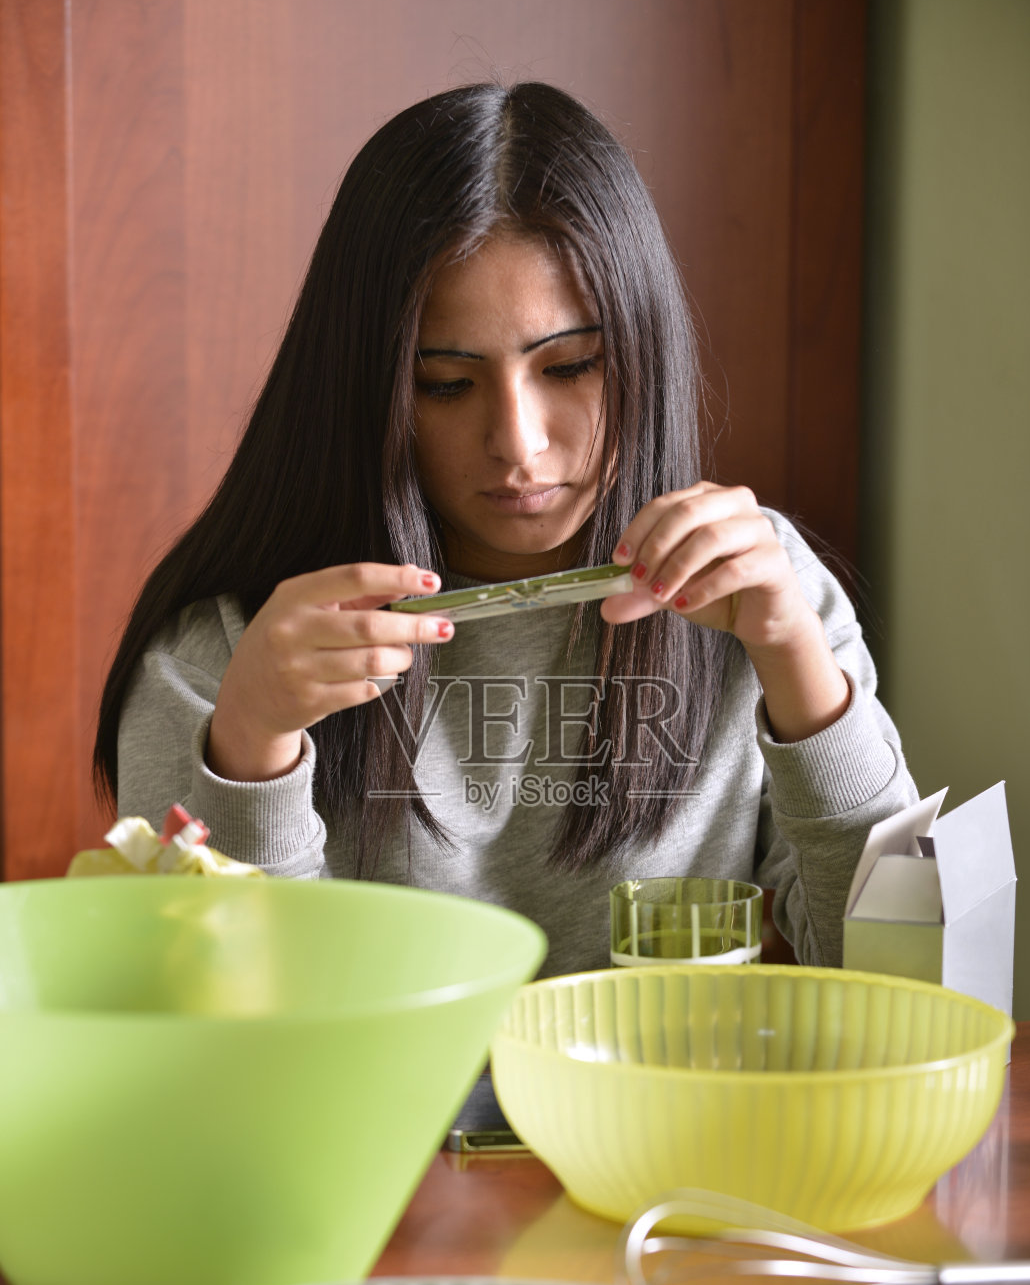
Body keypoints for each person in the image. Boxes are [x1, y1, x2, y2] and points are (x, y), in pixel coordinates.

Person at [94, 81, 916, 977]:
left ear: (645, 351)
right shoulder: (216, 653)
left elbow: (902, 980)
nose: (517, 444)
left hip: (669, 1117)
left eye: (570, 366)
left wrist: (800, 665)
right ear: (367, 387)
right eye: (446, 383)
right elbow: (232, 1045)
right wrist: (251, 750)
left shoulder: (761, 592)